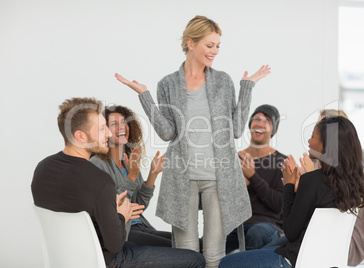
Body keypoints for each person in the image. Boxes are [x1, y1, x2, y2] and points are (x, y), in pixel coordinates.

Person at [115, 15, 271, 268]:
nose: (215, 51)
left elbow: (236, 129)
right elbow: (166, 133)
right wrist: (145, 96)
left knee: (213, 254)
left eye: (218, 45)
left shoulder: (223, 81)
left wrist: (247, 87)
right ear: (191, 43)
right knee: (186, 255)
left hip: (218, 177)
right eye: (209, 45)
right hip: (181, 178)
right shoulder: (167, 84)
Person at [31, 97, 205, 268]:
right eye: (102, 129)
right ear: (80, 136)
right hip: (109, 258)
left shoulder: (43, 168)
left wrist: (113, 206)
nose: (107, 132)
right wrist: (121, 214)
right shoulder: (100, 179)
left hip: (71, 257)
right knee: (197, 259)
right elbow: (115, 245)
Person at [218, 116, 364, 268]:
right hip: (324, 260)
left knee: (226, 263)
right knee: (265, 249)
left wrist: (289, 186)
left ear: (325, 145)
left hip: (295, 260)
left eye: (312, 137)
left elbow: (290, 232)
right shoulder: (354, 185)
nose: (309, 142)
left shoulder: (312, 180)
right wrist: (299, 189)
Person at [90, 105, 172, 247]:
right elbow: (111, 207)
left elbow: (139, 206)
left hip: (141, 227)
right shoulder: (97, 163)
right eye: (115, 124)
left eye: (124, 122)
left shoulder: (129, 160)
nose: (122, 127)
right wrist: (132, 176)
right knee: (184, 251)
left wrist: (153, 174)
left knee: (191, 244)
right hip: (124, 232)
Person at [301, 108, 364, 267]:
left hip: (344, 245)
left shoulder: (346, 174)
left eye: (324, 126)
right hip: (322, 239)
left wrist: (304, 182)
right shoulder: (321, 168)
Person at [225, 104, 286, 253]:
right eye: (257, 119)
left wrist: (253, 176)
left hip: (267, 225)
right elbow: (222, 200)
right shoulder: (234, 158)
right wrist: (240, 184)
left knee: (257, 233)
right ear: (250, 124)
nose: (260, 123)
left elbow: (280, 205)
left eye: (267, 121)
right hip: (235, 225)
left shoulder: (282, 162)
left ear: (273, 129)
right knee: (212, 239)